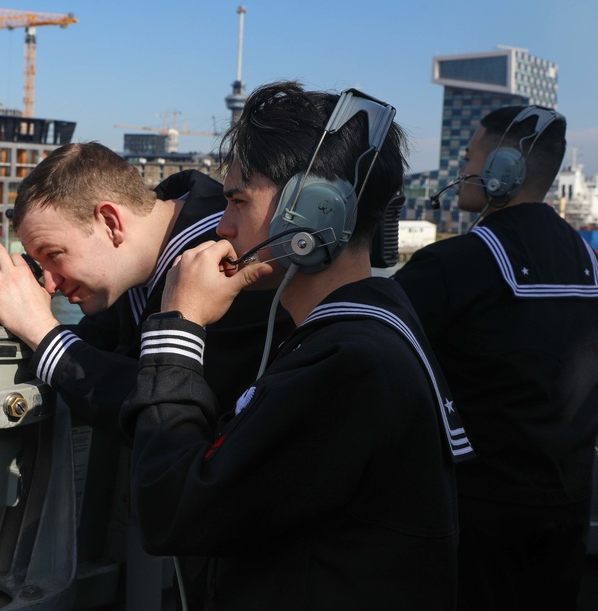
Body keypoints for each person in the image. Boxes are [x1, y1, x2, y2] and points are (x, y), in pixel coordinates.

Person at [120, 80, 473, 609]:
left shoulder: (348, 365)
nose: (223, 224)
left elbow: (171, 510)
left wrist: (178, 325)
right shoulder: (379, 325)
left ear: (312, 211)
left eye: (239, 200)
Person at [393, 106, 598, 610]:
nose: (461, 171)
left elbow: (368, 342)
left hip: (474, 517)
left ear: (502, 169)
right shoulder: (590, 264)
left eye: (469, 158)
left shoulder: (455, 264)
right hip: (568, 509)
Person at [0, 141, 280, 432]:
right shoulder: (130, 277)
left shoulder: (231, 262)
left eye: (54, 255)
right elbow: (98, 352)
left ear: (110, 222)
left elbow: (176, 416)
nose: (49, 284)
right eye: (39, 265)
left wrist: (41, 331)